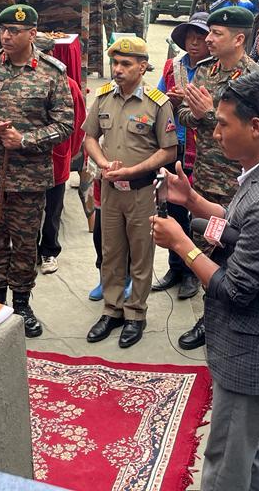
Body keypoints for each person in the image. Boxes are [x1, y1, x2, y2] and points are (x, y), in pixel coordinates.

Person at [149, 72, 259, 491]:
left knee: (226, 460)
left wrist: (183, 245)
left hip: (253, 350)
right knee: (257, 449)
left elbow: (234, 289)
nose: (215, 133)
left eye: (223, 124)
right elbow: (241, 227)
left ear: (256, 127)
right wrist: (195, 202)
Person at [0, 4, 75, 338]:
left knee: (25, 244)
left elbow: (66, 123)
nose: (7, 37)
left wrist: (24, 140)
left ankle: (21, 303)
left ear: (32, 34)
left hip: (29, 179)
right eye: (3, 30)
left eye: (15, 31)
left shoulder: (51, 72)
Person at [175, 5, 259, 350]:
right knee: (207, 251)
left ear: (239, 39)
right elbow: (184, 113)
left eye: (216, 34)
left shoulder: (257, 80)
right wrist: (197, 115)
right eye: (208, 33)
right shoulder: (204, 72)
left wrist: (209, 114)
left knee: (238, 254)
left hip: (239, 186)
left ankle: (237, 322)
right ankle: (210, 317)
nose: (208, 39)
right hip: (206, 183)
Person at [83, 37, 178, 348]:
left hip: (141, 192)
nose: (118, 69)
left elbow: (168, 151)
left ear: (142, 66)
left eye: (126, 64)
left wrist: (134, 171)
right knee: (111, 253)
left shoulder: (157, 103)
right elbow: (90, 138)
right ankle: (112, 310)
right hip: (110, 190)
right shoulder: (103, 98)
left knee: (140, 254)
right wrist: (102, 163)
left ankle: (135, 313)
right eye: (115, 63)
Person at [153, 13, 211, 300]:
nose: (195, 43)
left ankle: (193, 270)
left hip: (202, 150)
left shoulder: (214, 70)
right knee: (172, 208)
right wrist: (170, 99)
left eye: (201, 37)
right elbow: (156, 98)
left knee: (199, 213)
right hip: (173, 146)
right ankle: (176, 266)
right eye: (190, 38)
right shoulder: (172, 66)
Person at [36, 37, 86, 276]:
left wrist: (69, 152)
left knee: (53, 208)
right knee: (27, 208)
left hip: (56, 156)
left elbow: (78, 124)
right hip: (26, 162)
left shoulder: (69, 85)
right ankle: (28, 251)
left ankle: (48, 251)